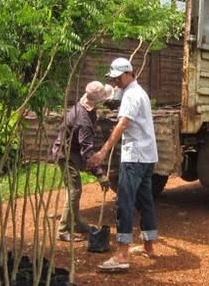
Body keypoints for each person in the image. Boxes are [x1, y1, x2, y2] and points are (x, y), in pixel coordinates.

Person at [90, 57, 158, 271]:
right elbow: (114, 96)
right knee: (145, 200)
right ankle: (148, 245)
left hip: (135, 156)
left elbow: (122, 124)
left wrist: (103, 151)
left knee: (124, 202)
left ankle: (122, 254)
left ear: (129, 73)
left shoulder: (131, 95)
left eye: (118, 77)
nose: (116, 81)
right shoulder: (139, 92)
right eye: (114, 78)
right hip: (147, 156)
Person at [51, 81, 112, 242]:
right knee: (74, 190)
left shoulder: (83, 105)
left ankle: (76, 222)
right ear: (96, 101)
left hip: (70, 151)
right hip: (65, 155)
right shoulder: (83, 120)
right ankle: (63, 229)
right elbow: (87, 152)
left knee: (75, 188)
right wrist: (99, 174)